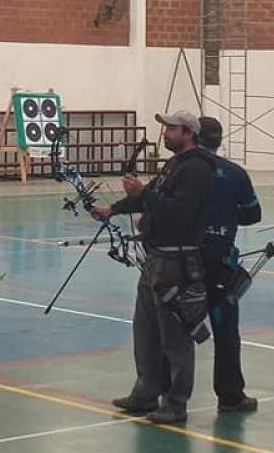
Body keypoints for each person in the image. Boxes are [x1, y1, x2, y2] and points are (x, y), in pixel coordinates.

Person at [91, 110, 214, 425]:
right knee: (145, 329)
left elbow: (178, 211)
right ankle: (146, 392)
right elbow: (151, 200)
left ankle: (176, 403)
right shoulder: (174, 164)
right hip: (155, 259)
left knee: (175, 336)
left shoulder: (198, 168)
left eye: (172, 128)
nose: (166, 133)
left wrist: (143, 193)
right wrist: (113, 209)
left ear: (189, 133)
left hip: (177, 262)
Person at [195, 115, 261, 412]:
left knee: (177, 328)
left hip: (186, 260)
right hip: (219, 263)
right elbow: (252, 214)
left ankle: (170, 394)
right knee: (225, 331)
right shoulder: (235, 173)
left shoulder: (183, 169)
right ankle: (230, 395)